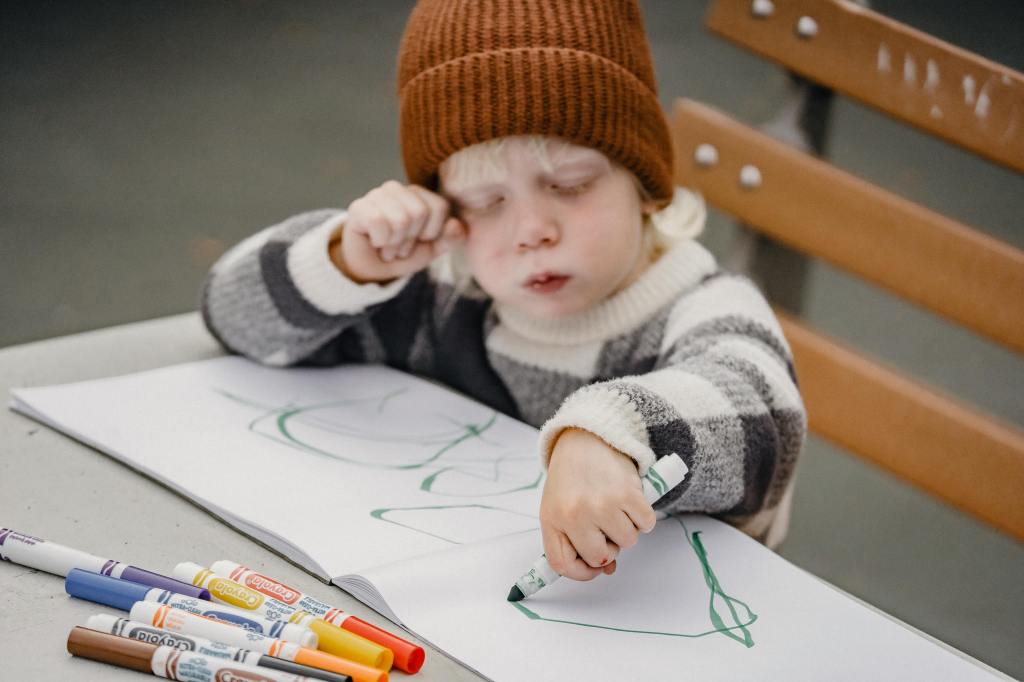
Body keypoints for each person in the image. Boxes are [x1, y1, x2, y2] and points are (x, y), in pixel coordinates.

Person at [202, 0, 806, 584]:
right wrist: (348, 261)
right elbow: (233, 314)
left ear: (645, 184)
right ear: (444, 208)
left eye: (570, 184)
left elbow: (762, 410)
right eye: (488, 202)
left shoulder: (705, 304)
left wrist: (614, 433)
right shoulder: (439, 297)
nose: (531, 231)